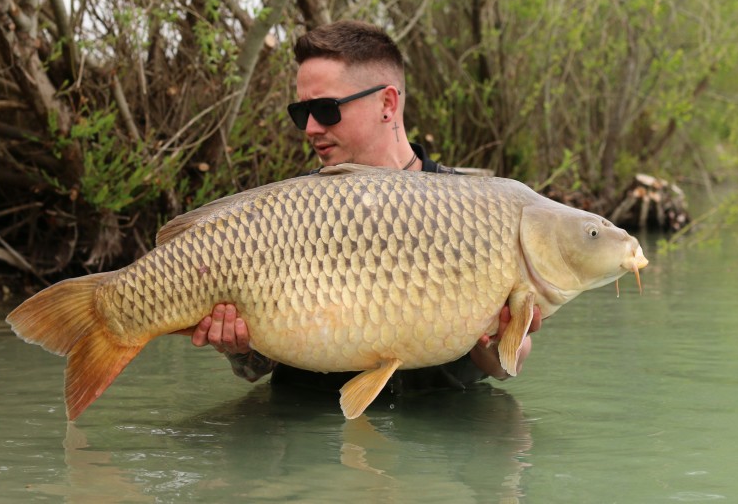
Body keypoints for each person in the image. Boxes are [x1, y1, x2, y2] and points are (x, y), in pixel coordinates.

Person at [191, 20, 542, 393]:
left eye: (326, 109)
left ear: (387, 103)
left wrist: (499, 346)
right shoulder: (287, 216)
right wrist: (239, 349)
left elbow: (505, 368)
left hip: (445, 428)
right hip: (312, 433)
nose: (309, 127)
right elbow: (253, 371)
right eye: (301, 112)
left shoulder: (477, 207)